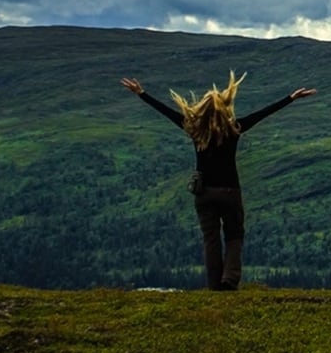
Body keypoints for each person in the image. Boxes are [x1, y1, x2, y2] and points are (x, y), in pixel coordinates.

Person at [121, 71, 315, 291]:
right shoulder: (234, 129)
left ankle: (214, 284)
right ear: (224, 107)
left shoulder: (194, 130)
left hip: (203, 193)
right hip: (230, 192)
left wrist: (142, 93)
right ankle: (229, 280)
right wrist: (290, 98)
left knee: (210, 238)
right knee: (234, 235)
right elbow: (262, 114)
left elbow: (167, 112)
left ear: (201, 109)